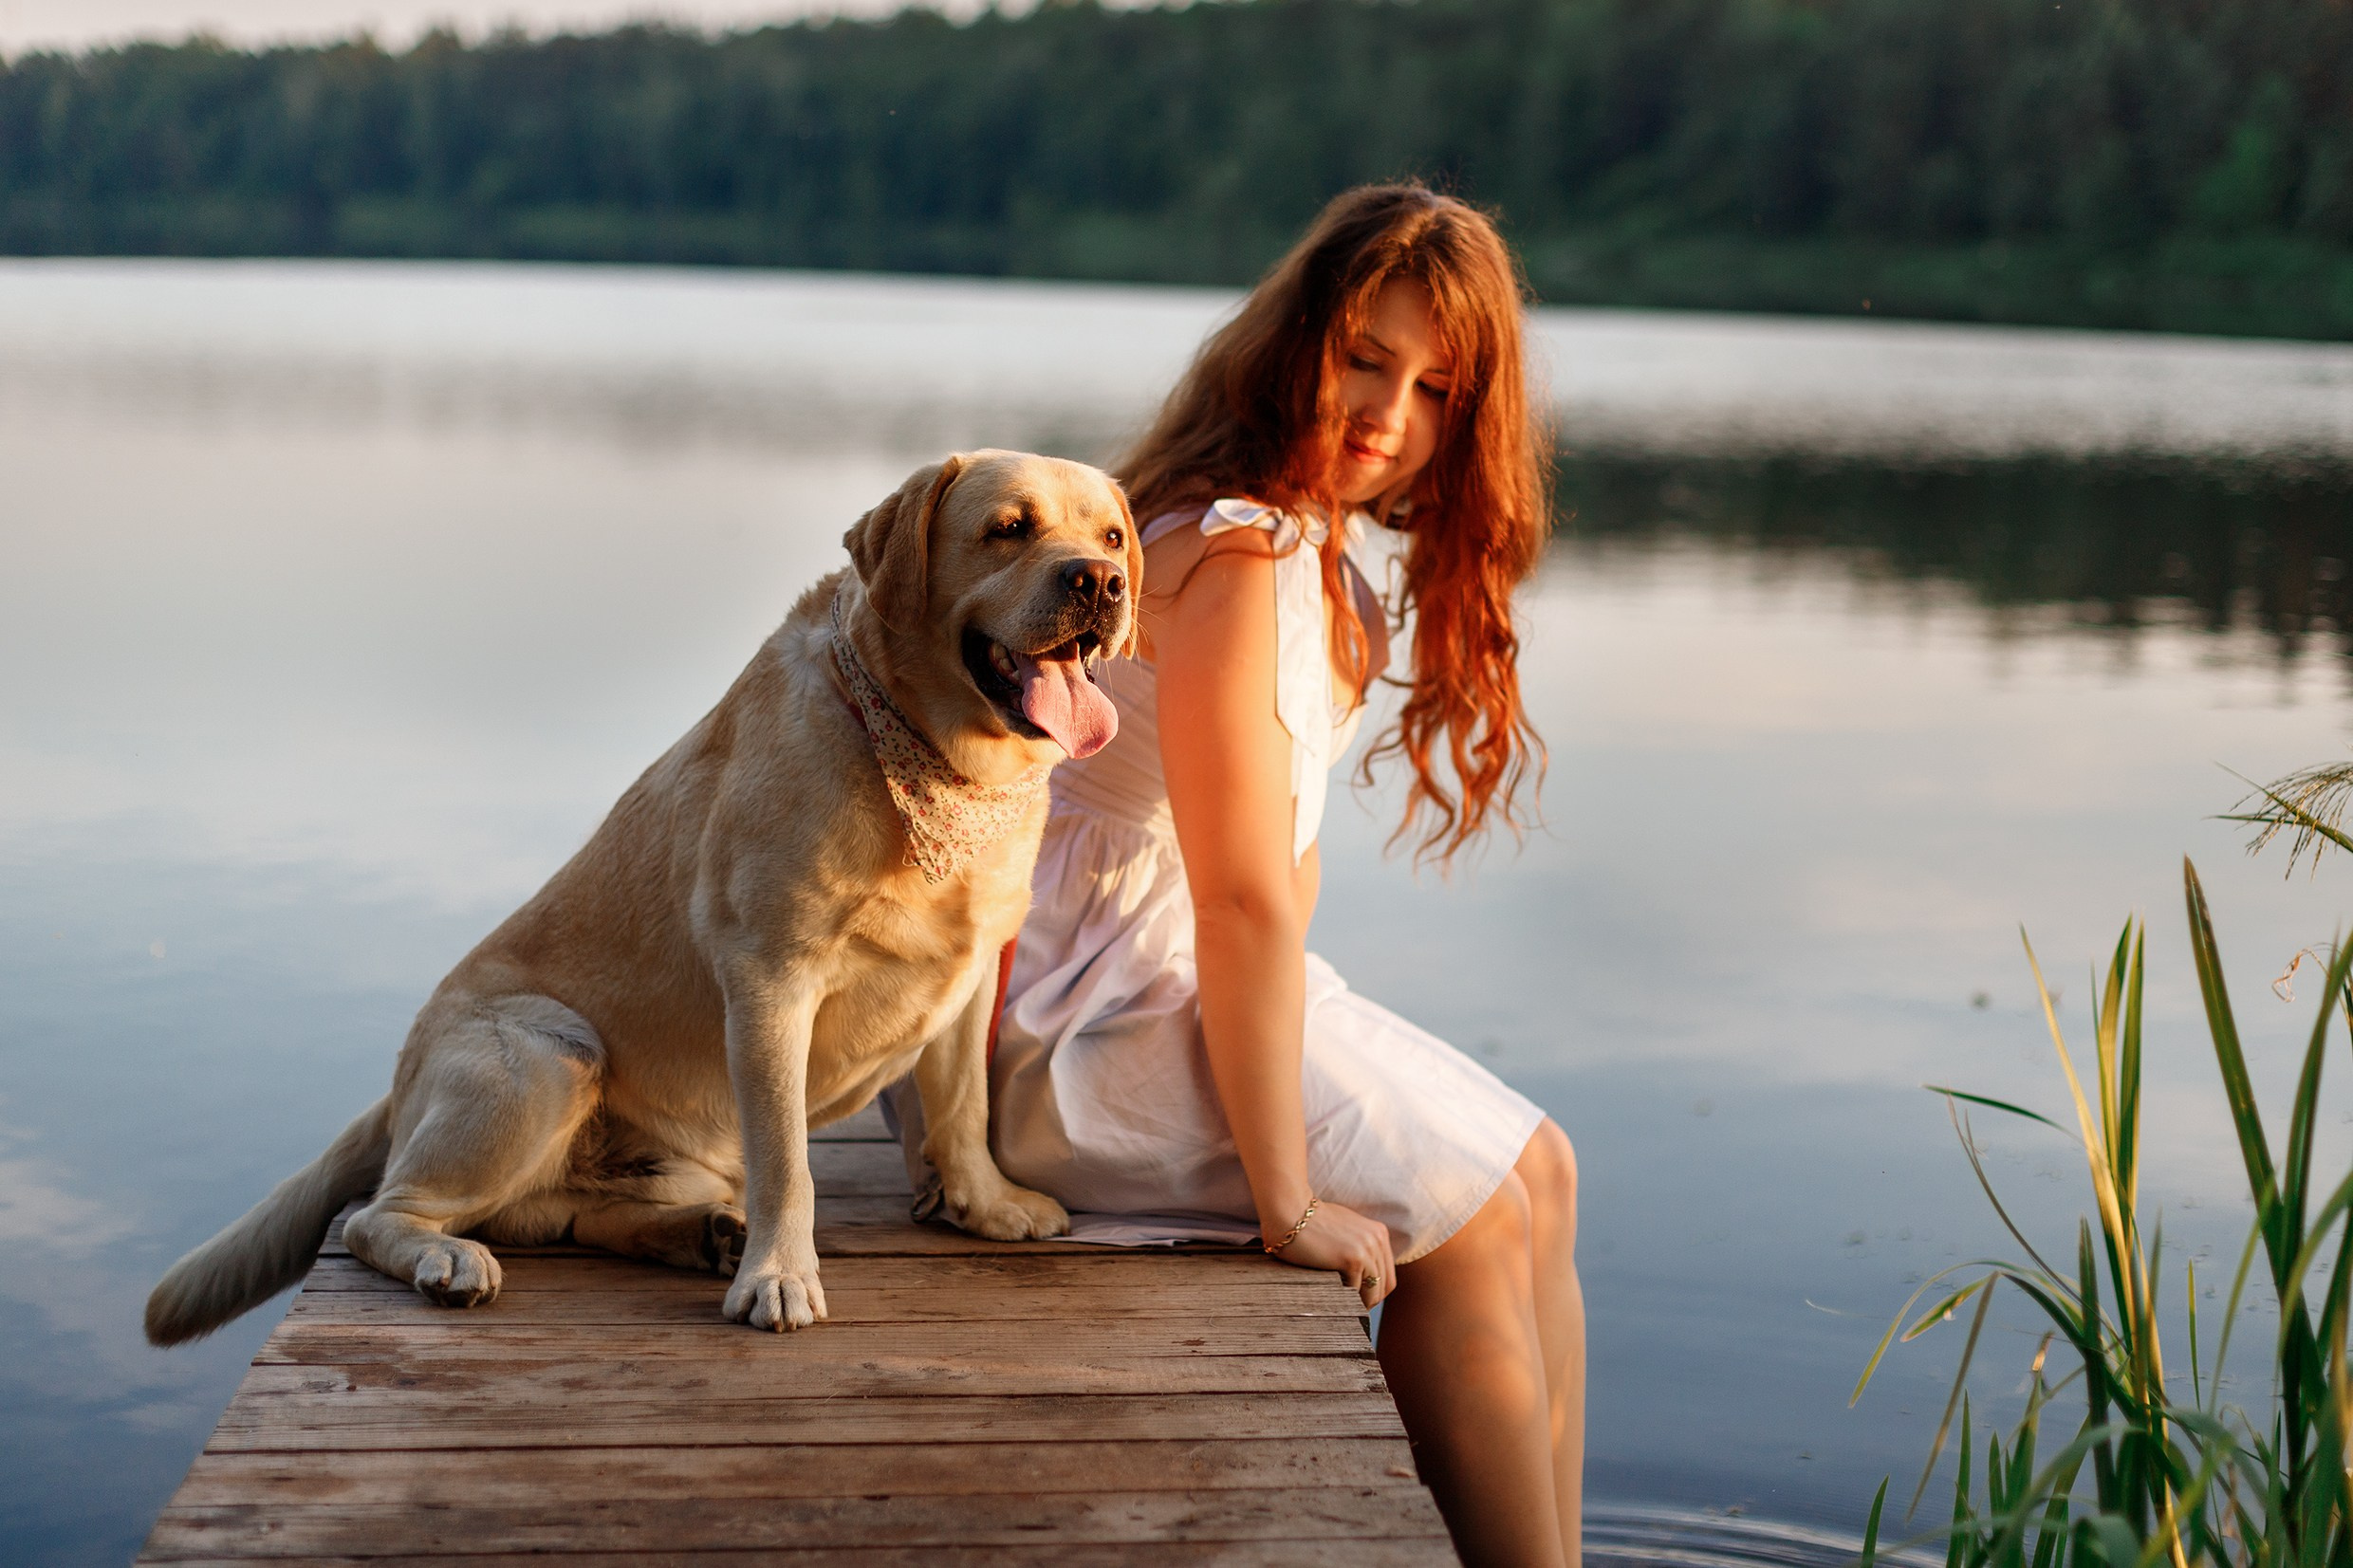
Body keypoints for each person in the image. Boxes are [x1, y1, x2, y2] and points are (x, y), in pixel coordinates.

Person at [995, 183, 1583, 1567]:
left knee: (1538, 1166)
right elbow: (1241, 896)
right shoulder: (1233, 550)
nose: (1391, 411)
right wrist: (1289, 1198)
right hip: (1062, 1019)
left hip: (1164, 979)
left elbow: (1282, 903)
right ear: (1297, 342)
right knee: (1473, 1214)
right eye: (1366, 358)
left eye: (1436, 386)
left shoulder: (1327, 571)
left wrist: (1323, 1068)